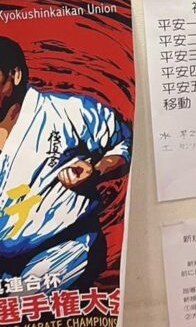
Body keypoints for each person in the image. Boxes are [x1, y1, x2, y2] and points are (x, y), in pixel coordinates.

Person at [0, 36, 131, 293]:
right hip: (5, 260)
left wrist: (97, 170)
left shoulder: (69, 113)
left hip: (64, 248)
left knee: (24, 304)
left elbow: (125, 142)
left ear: (14, 75)